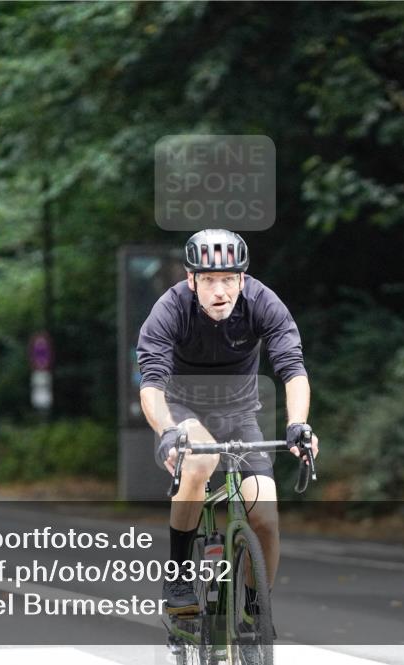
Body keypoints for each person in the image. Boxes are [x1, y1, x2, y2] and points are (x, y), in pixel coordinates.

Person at [136, 228, 319, 616]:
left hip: (239, 416)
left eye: (229, 279)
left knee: (266, 518)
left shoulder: (262, 302)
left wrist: (298, 424)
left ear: (242, 277)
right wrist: (167, 431)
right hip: (184, 412)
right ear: (191, 280)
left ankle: (254, 609)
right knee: (200, 463)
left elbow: (293, 369)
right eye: (209, 280)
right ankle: (180, 573)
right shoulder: (169, 310)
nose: (220, 291)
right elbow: (151, 384)